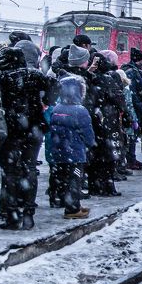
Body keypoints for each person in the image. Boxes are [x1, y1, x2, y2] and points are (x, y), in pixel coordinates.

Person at [0, 45, 49, 230]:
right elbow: (53, 91)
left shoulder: (1, 78)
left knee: (10, 172)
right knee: (29, 168)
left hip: (11, 130)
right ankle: (28, 212)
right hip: (34, 129)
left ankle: (12, 213)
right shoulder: (35, 75)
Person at [47, 75, 96, 219]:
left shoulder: (56, 108)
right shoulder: (80, 110)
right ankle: (73, 208)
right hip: (75, 152)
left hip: (59, 151)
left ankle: (66, 202)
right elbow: (88, 133)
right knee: (75, 179)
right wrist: (90, 144)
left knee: (63, 179)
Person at [86, 52, 126, 195]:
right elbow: (118, 98)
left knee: (94, 155)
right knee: (109, 155)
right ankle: (108, 186)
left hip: (92, 120)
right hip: (108, 120)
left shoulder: (87, 78)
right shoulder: (108, 79)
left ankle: (94, 186)